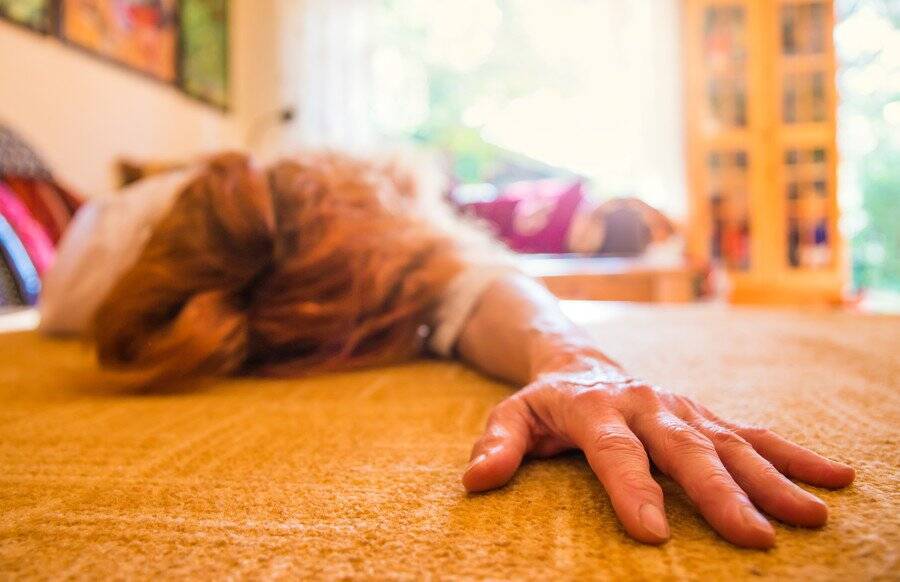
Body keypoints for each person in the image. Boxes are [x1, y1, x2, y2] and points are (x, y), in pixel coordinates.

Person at [39, 152, 854, 549]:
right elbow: (456, 284)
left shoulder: (365, 205)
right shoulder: (96, 268)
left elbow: (468, 290)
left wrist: (576, 361)